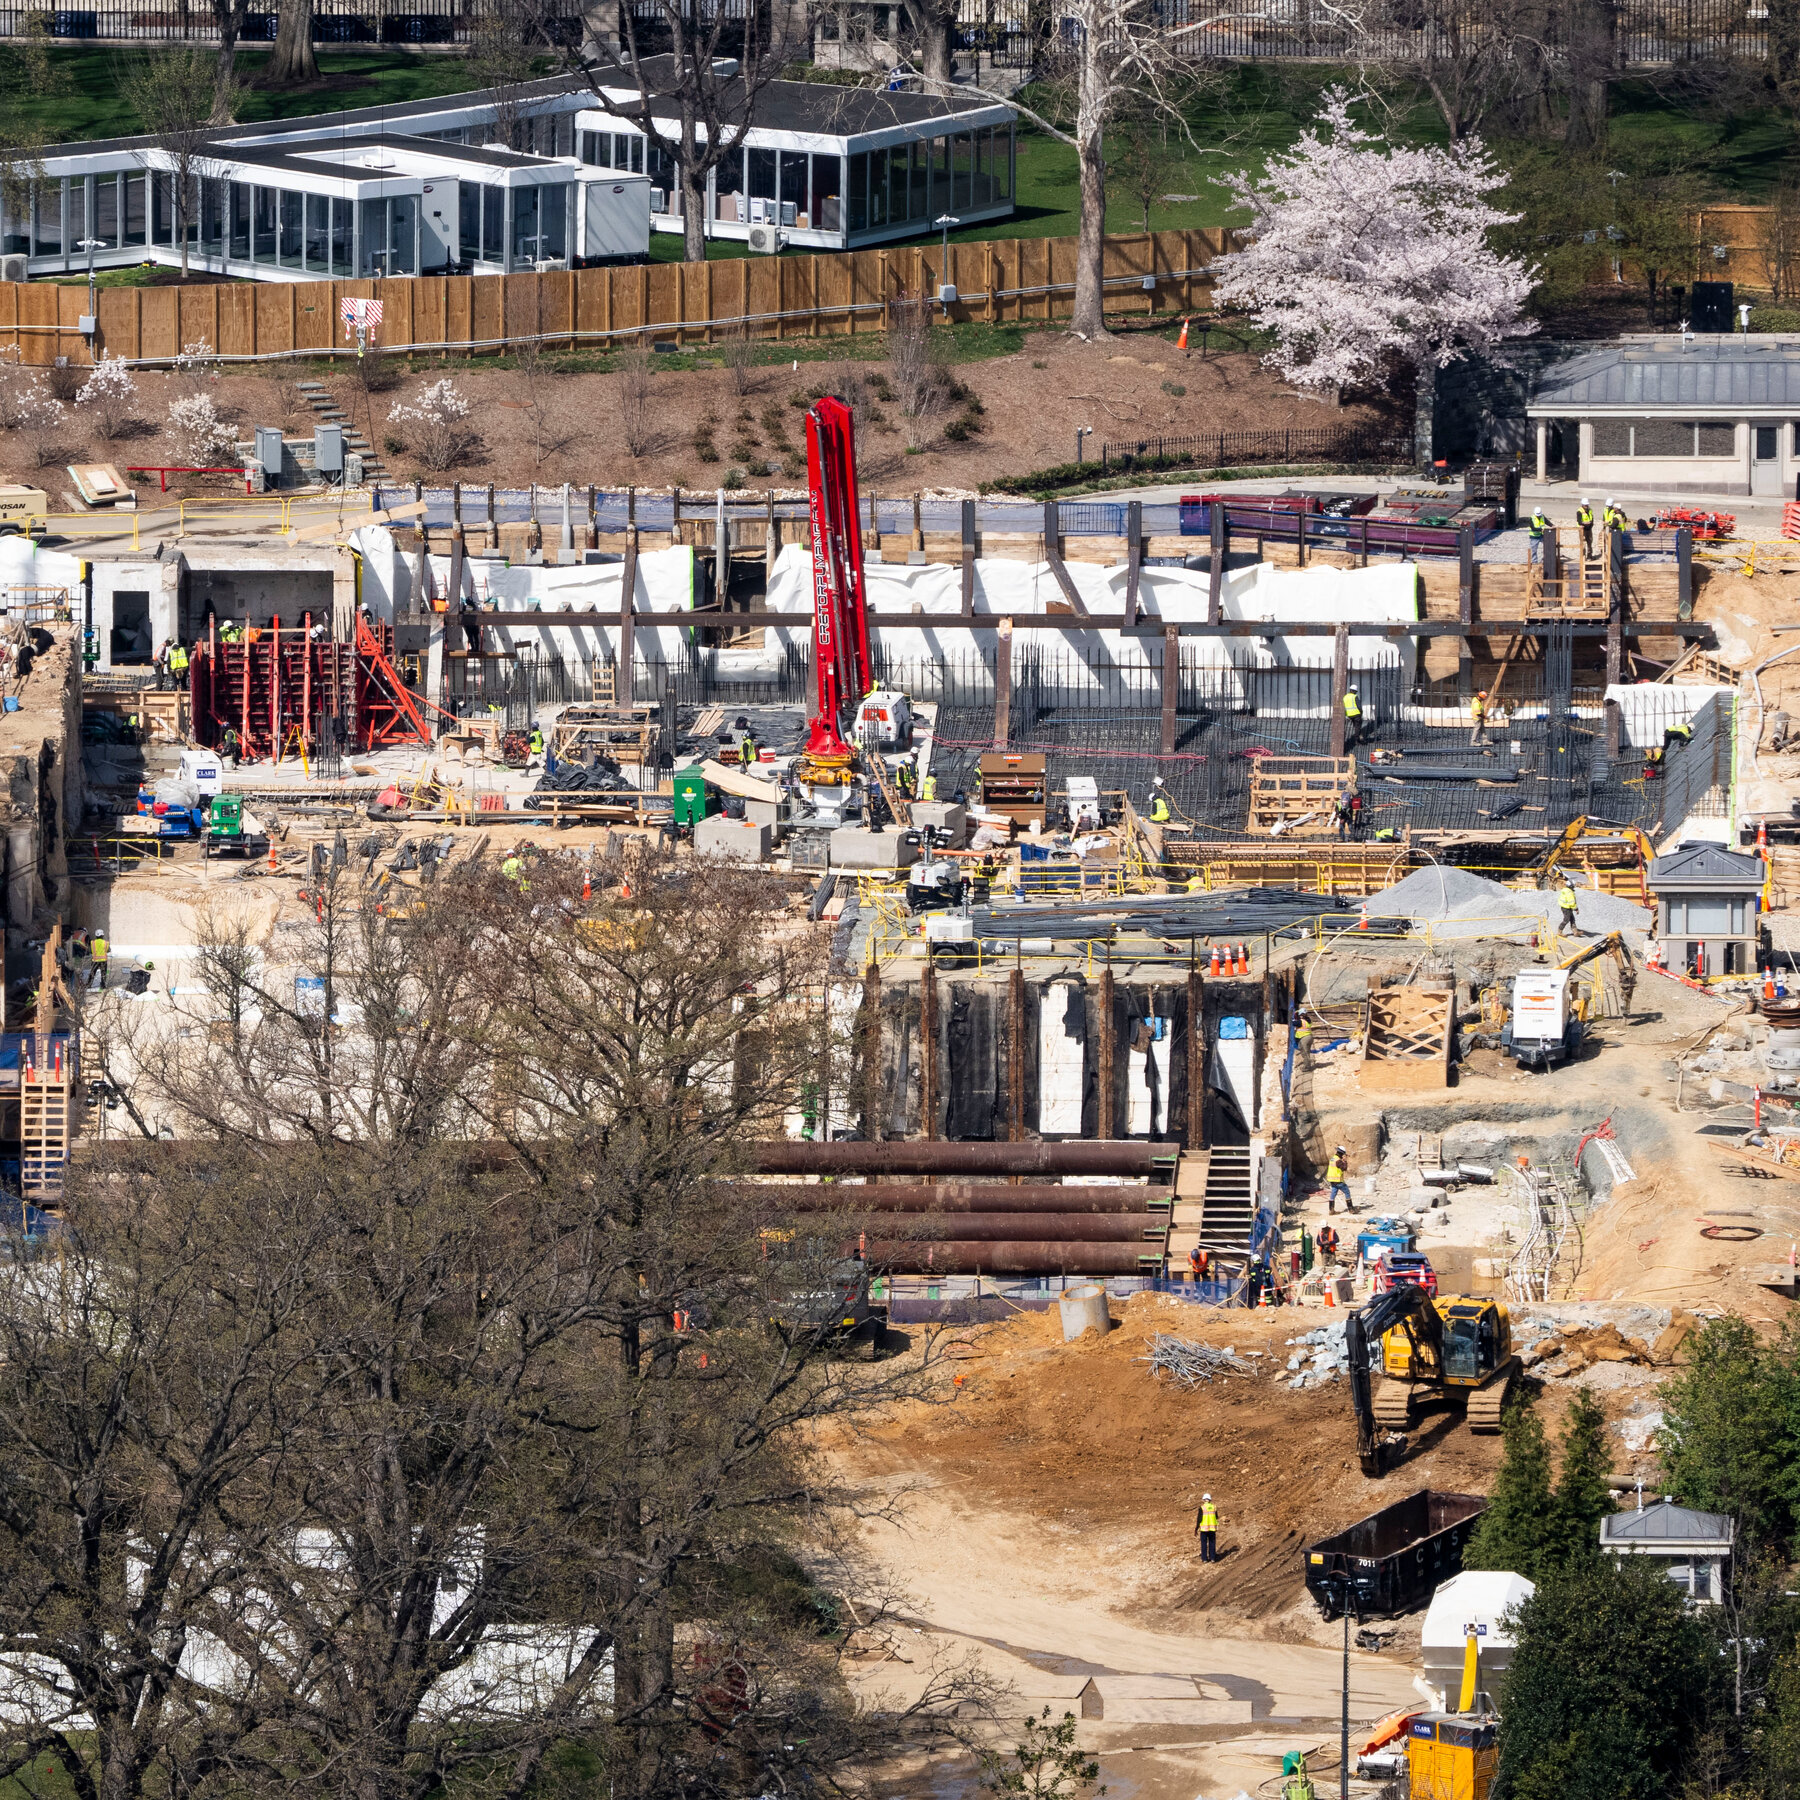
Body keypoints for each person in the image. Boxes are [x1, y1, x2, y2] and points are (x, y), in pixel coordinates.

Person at [1195, 1492, 1219, 1563]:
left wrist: (1196, 1528)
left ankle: (1204, 1559)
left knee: (1204, 1544)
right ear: (1210, 1500)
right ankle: (1212, 1558)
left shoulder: (1202, 1508)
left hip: (1204, 1529)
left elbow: (1199, 1519)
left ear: (1203, 1500)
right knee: (1212, 1543)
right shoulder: (1214, 1507)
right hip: (1212, 1528)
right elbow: (1216, 1517)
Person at [1326, 1145, 1351, 1213]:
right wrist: (1345, 1162)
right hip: (1338, 1180)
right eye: (1343, 1154)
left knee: (1333, 1193)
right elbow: (1344, 1168)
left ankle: (1331, 1210)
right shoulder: (1338, 1161)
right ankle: (1351, 1209)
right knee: (1347, 1192)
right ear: (1341, 1153)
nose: (1343, 1155)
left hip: (1332, 1180)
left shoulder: (1332, 1158)